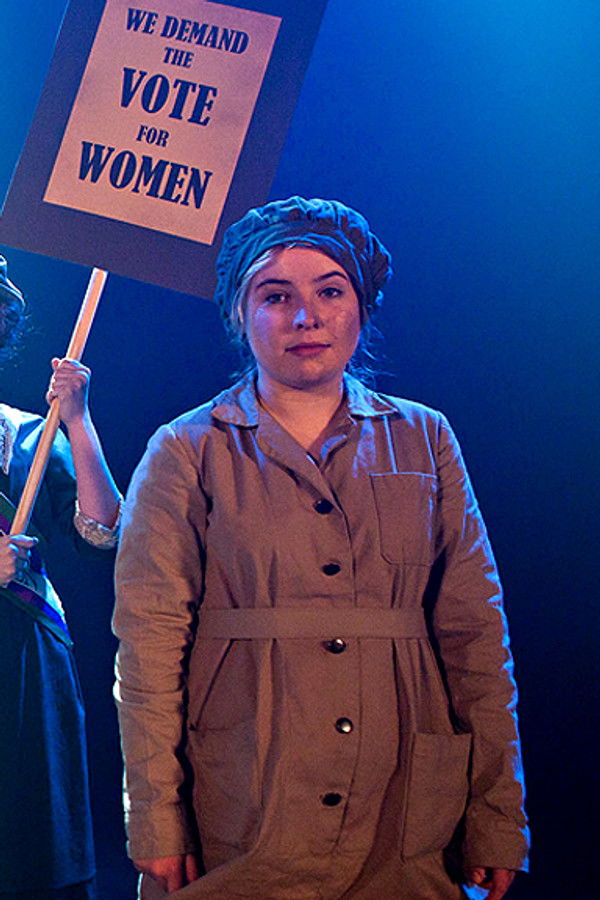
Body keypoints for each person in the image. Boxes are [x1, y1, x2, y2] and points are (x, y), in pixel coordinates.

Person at [113, 197, 529, 900]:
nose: (305, 316)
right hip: (244, 801)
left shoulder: (426, 439)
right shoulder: (186, 450)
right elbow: (147, 648)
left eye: (330, 291)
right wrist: (154, 818)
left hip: (402, 803)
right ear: (240, 315)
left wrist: (498, 814)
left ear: (361, 307)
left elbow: (477, 637)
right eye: (275, 296)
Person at [0, 256, 122, 899]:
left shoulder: (29, 434)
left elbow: (102, 532)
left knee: (32, 856)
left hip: (25, 666)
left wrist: (77, 418)